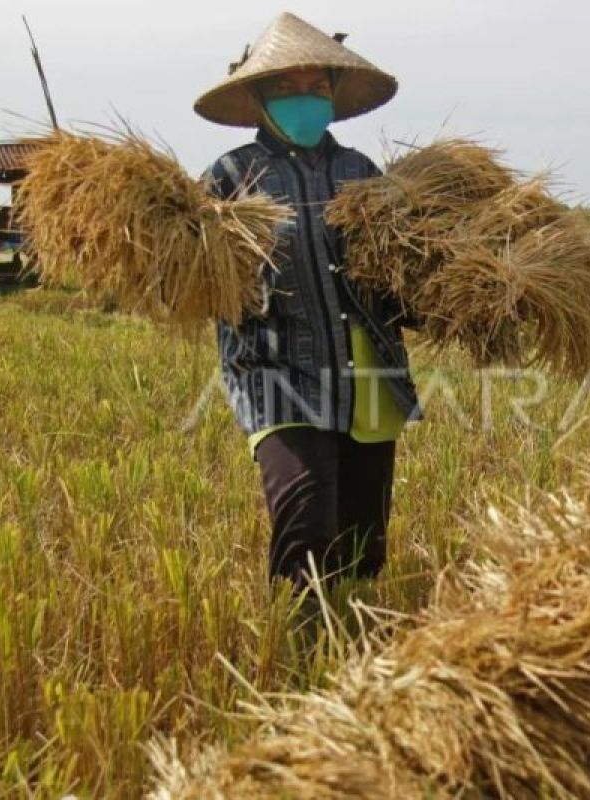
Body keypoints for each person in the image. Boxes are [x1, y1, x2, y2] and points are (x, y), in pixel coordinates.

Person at [196, 13, 421, 600]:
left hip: (367, 372)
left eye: (316, 88)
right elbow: (191, 278)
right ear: (260, 97)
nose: (304, 100)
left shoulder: (361, 175)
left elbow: (401, 270)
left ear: (333, 95)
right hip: (275, 371)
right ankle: (300, 660)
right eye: (287, 88)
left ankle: (358, 651)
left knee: (362, 542)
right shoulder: (229, 179)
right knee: (306, 524)